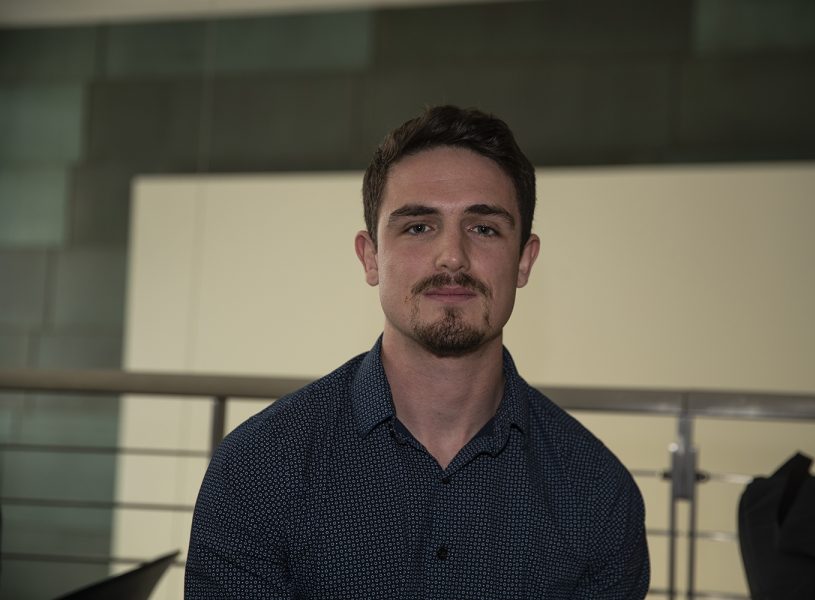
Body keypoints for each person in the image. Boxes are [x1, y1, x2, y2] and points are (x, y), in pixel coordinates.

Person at [185, 105, 650, 599]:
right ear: (370, 257)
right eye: (418, 227)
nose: (452, 256)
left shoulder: (598, 494)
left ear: (523, 262)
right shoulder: (258, 468)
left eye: (484, 228)